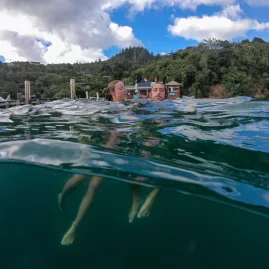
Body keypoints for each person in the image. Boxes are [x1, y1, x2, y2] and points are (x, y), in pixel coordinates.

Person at [59, 80, 127, 246]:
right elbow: (88, 123)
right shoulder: (105, 108)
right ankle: (62, 194)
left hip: (112, 152)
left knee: (95, 185)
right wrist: (85, 145)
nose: (126, 90)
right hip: (97, 147)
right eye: (122, 88)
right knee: (80, 177)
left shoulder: (131, 108)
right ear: (113, 92)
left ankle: (75, 225)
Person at [128, 82, 168, 222]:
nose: (158, 93)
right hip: (144, 138)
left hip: (163, 140)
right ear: (150, 94)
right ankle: (136, 199)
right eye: (155, 90)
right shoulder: (144, 106)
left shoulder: (171, 106)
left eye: (161, 90)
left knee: (167, 167)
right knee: (132, 170)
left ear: (165, 94)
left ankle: (152, 195)